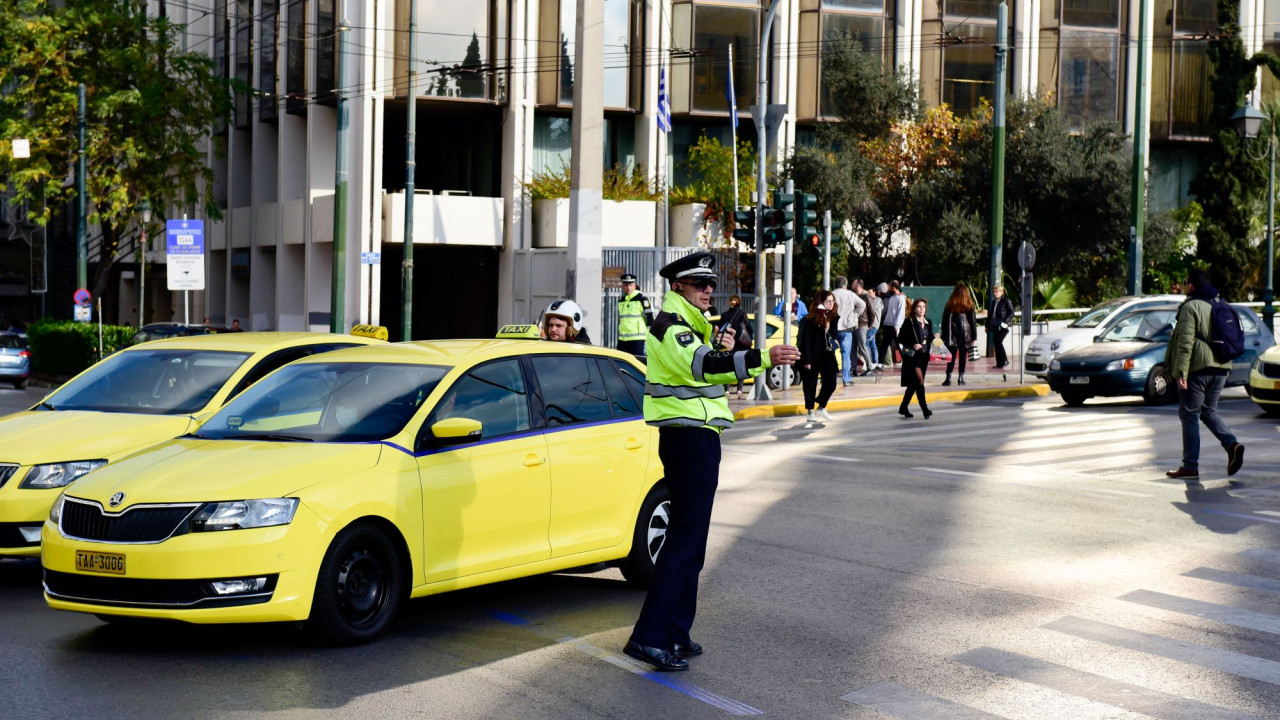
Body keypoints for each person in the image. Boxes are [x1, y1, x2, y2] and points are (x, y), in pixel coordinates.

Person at [626, 251, 800, 672]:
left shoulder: (692, 325)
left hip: (698, 437)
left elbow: (710, 369)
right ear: (677, 287)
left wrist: (727, 348)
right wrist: (762, 357)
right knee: (683, 541)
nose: (708, 289)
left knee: (693, 543)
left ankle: (676, 632)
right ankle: (648, 637)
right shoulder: (671, 327)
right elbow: (705, 368)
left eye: (709, 283)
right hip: (686, 439)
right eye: (699, 284)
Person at [1164, 269, 1244, 482]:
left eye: (1186, 282)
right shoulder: (1220, 304)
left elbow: (1185, 341)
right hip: (1222, 367)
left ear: (1191, 286)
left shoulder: (1191, 306)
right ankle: (1232, 445)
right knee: (1208, 411)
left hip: (1199, 368)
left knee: (1189, 414)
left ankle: (1190, 466)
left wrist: (1181, 371)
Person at [798, 291, 839, 422]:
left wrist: (834, 342)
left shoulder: (833, 317)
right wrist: (807, 359)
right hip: (813, 354)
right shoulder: (810, 319)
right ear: (821, 302)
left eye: (833, 301)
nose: (831, 304)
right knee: (810, 383)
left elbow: (832, 336)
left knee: (831, 381)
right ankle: (810, 411)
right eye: (828, 301)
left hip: (827, 354)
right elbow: (805, 340)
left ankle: (821, 406)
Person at [897, 297, 934, 419]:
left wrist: (936, 338)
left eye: (923, 307)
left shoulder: (928, 322)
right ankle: (925, 409)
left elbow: (930, 339)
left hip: (924, 357)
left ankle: (903, 407)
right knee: (919, 380)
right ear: (914, 309)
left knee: (913, 384)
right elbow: (900, 338)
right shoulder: (910, 322)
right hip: (913, 357)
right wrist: (913, 344)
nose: (922, 309)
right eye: (919, 307)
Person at [715, 295, 753, 399]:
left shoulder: (724, 315)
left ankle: (727, 390)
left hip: (728, 344)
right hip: (741, 345)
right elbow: (749, 329)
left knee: (728, 367)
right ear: (739, 303)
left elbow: (719, 329)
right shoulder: (742, 315)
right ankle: (739, 390)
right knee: (741, 367)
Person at [941, 282, 976, 386]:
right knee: (962, 357)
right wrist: (974, 337)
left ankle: (948, 378)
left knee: (951, 357)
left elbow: (945, 321)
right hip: (966, 334)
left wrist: (945, 336)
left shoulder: (950, 304)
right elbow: (972, 322)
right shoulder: (969, 304)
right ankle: (961, 378)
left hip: (952, 334)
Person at [616, 273, 655, 356]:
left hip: (638, 339)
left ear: (634, 285)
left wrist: (649, 337)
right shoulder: (621, 301)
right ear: (622, 286)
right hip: (622, 339)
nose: (628, 288)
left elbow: (650, 318)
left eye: (630, 285)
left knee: (638, 363)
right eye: (626, 285)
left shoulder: (641, 299)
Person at [831, 277, 861, 386]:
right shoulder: (850, 295)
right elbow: (862, 304)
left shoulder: (831, 294)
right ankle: (846, 379)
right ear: (845, 285)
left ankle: (831, 376)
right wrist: (854, 314)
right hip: (847, 328)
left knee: (831, 353)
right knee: (845, 355)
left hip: (833, 328)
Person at [987, 284, 1015, 370]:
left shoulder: (1006, 301)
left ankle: (1005, 360)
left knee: (999, 341)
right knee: (996, 343)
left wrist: (1005, 321)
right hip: (995, 325)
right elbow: (990, 314)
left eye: (997, 291)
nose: (995, 293)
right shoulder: (993, 302)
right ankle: (999, 363)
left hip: (1003, 325)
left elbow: (1011, 312)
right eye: (994, 292)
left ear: (1001, 292)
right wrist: (987, 325)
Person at [879, 281, 905, 368]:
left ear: (894, 287)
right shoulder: (892, 298)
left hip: (895, 326)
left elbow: (900, 313)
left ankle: (906, 361)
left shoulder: (901, 298)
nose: (888, 288)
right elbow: (889, 312)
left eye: (890, 287)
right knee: (884, 345)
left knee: (899, 344)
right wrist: (885, 322)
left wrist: (897, 325)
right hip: (888, 324)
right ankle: (880, 363)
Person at [852, 278, 874, 375]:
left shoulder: (866, 297)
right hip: (853, 324)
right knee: (853, 347)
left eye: (853, 283)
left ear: (857, 285)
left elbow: (872, 311)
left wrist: (869, 324)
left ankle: (870, 367)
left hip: (862, 324)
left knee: (862, 346)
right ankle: (853, 369)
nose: (851, 285)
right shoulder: (852, 295)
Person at [866, 286, 884, 371]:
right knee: (872, 344)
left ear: (874, 292)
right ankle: (874, 362)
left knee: (866, 342)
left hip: (873, 324)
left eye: (870, 293)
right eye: (867, 293)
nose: (868, 295)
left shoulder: (877, 300)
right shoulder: (875, 300)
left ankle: (869, 363)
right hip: (873, 324)